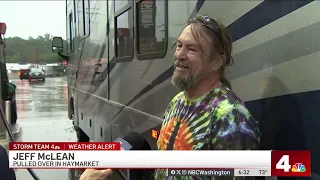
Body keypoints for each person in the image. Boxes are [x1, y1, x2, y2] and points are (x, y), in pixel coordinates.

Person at [80, 15, 260, 180]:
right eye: (180, 45)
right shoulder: (178, 101)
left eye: (192, 49)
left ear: (217, 61)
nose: (180, 55)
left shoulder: (230, 117)